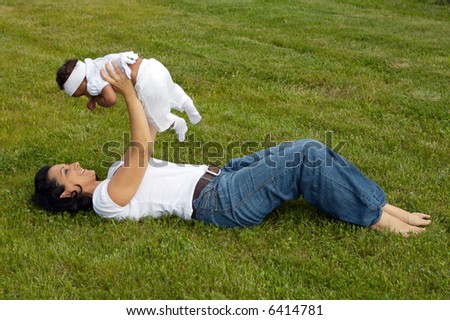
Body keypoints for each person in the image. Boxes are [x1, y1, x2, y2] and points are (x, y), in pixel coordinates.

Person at [35, 62, 431, 237]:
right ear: (69, 194)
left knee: (310, 149)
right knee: (305, 154)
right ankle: (378, 218)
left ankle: (381, 206)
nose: (73, 164)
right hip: (219, 203)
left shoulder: (113, 170)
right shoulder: (105, 200)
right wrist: (123, 93)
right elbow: (140, 148)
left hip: (223, 176)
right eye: (66, 171)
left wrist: (142, 83)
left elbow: (149, 133)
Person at [56, 51, 201, 142]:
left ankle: (177, 123)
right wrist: (92, 96)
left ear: (81, 83)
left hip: (146, 81)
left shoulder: (93, 82)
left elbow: (110, 99)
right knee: (171, 89)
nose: (87, 94)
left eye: (83, 93)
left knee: (153, 116)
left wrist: (98, 100)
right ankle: (188, 105)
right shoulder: (95, 65)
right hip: (152, 65)